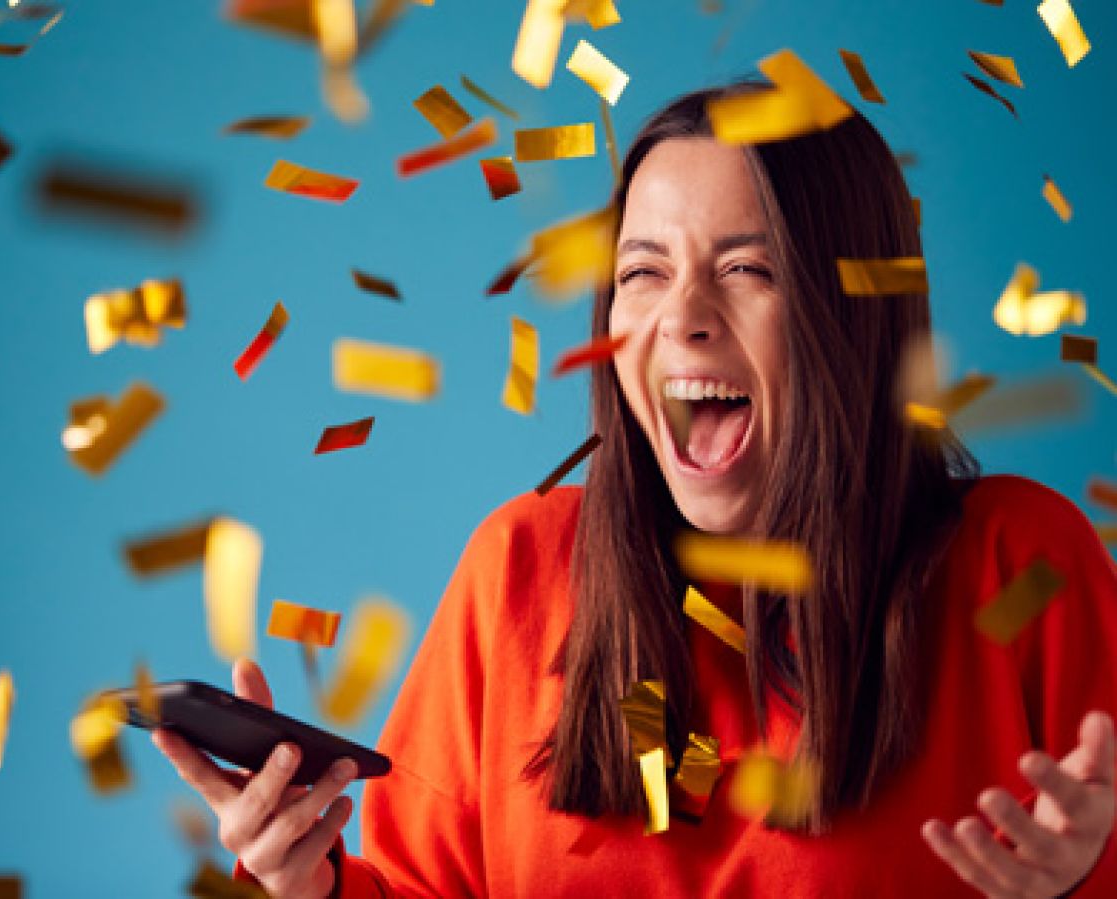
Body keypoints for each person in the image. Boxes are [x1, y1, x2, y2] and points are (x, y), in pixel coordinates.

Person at [154, 84, 1117, 897]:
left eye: (748, 268)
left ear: (854, 311)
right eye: (643, 272)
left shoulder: (1018, 563)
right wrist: (310, 883)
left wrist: (1080, 880)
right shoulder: (519, 566)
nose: (680, 319)